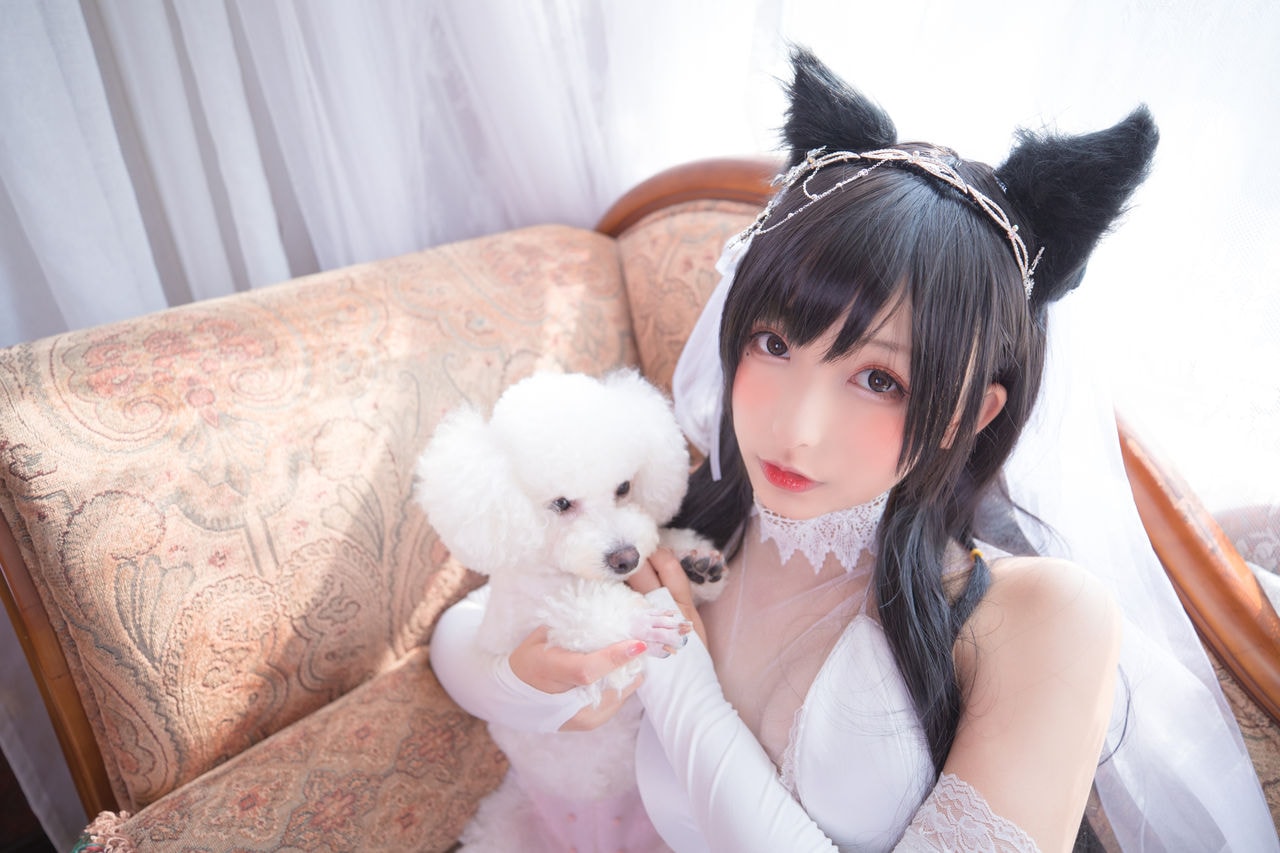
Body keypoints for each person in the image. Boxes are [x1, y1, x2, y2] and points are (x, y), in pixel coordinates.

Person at [430, 49, 1279, 852]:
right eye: (773, 344)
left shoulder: (1040, 614)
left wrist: (676, 672)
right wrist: (530, 683)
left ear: (970, 413)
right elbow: (464, 635)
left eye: (879, 380)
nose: (795, 428)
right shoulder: (695, 519)